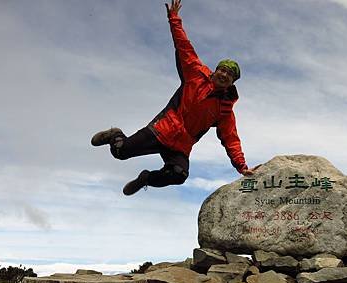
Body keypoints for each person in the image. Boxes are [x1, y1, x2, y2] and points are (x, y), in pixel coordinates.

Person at [91, 0, 256, 196]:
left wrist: (241, 166)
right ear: (215, 70)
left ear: (232, 83)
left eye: (230, 75)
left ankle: (145, 179)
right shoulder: (196, 74)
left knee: (179, 174)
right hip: (162, 130)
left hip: (181, 145)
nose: (224, 75)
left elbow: (231, 138)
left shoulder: (224, 109)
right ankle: (115, 134)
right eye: (223, 70)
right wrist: (174, 19)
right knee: (120, 152)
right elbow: (184, 47)